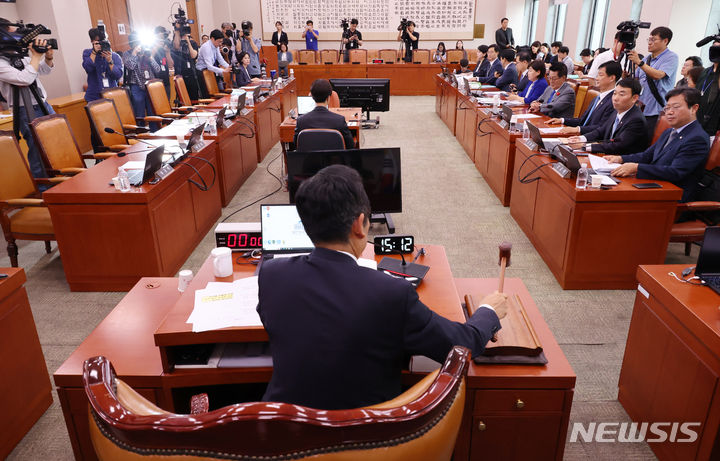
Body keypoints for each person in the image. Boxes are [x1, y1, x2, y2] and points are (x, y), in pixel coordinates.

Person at [257, 164, 507, 410]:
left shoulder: (271, 275)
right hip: (368, 437)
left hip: (286, 434)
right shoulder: (392, 293)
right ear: (360, 224)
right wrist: (488, 310)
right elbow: (463, 345)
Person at [605, 87, 710, 202]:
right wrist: (620, 159)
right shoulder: (669, 132)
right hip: (653, 186)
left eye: (676, 107)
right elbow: (647, 156)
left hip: (671, 199)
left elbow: (675, 172)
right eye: (667, 108)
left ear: (694, 108)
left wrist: (636, 168)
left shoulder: (696, 138)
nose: (669, 112)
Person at [0, 18, 55, 180]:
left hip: (43, 104)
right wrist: (36, 57)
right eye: (11, 31)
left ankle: (59, 179)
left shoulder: (20, 54)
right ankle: (43, 187)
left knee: (54, 144)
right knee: (37, 151)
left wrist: (48, 58)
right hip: (25, 110)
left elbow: (42, 71)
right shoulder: (1, 62)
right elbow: (24, 79)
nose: (16, 34)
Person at [568, 78, 648, 155]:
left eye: (621, 95)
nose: (615, 98)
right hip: (607, 156)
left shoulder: (636, 120)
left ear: (634, 98)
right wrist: (581, 138)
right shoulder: (617, 111)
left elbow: (617, 146)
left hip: (621, 163)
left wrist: (585, 146)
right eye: (614, 93)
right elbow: (601, 131)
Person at [628, 26, 678, 139]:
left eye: (653, 40)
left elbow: (658, 75)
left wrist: (639, 63)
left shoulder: (671, 57)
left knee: (647, 142)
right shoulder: (646, 59)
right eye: (649, 39)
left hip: (656, 111)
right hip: (640, 109)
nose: (649, 43)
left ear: (665, 41)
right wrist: (626, 74)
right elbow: (636, 79)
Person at [547, 60, 622, 135]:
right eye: (597, 75)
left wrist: (577, 129)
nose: (596, 78)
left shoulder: (613, 101)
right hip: (581, 136)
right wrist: (562, 120)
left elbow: (601, 128)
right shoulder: (596, 98)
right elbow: (583, 121)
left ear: (612, 78)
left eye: (600, 75)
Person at [294, 79, 354, 149]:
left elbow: (296, 145)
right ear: (329, 98)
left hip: (310, 159)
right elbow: (350, 145)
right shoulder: (339, 120)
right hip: (335, 159)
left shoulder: (301, 121)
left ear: (312, 97)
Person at [123, 32, 161, 131]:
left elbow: (157, 69)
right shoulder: (127, 54)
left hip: (150, 87)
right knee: (139, 113)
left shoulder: (147, 52)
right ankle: (141, 133)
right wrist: (134, 53)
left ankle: (155, 133)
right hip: (136, 87)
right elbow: (130, 66)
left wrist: (150, 58)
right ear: (131, 44)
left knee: (152, 111)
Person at [82, 27, 123, 102]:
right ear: (92, 41)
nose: (101, 44)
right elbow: (88, 68)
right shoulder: (88, 53)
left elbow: (118, 75)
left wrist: (110, 61)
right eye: (98, 42)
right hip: (94, 96)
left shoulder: (115, 56)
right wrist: (94, 53)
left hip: (112, 94)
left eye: (103, 41)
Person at [196, 29, 230, 98]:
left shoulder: (216, 46)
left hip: (209, 71)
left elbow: (220, 59)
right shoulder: (206, 47)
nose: (220, 44)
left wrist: (229, 67)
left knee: (215, 91)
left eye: (221, 42)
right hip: (201, 72)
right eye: (219, 42)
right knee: (206, 94)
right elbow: (209, 66)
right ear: (212, 39)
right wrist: (223, 70)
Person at [171, 21, 200, 100]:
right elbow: (176, 47)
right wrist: (177, 32)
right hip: (180, 75)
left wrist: (188, 41)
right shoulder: (175, 43)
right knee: (182, 100)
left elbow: (193, 55)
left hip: (192, 75)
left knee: (194, 98)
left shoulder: (193, 43)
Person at [696, 42, 720, 136]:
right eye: (714, 48)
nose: (716, 50)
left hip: (714, 128)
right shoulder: (705, 72)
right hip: (698, 122)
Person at [152, 26, 174, 99]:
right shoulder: (150, 46)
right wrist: (156, 46)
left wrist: (167, 52)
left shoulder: (164, 48)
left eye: (162, 37)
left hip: (166, 81)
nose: (161, 40)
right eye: (159, 37)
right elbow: (149, 59)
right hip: (155, 82)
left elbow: (171, 65)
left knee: (167, 103)